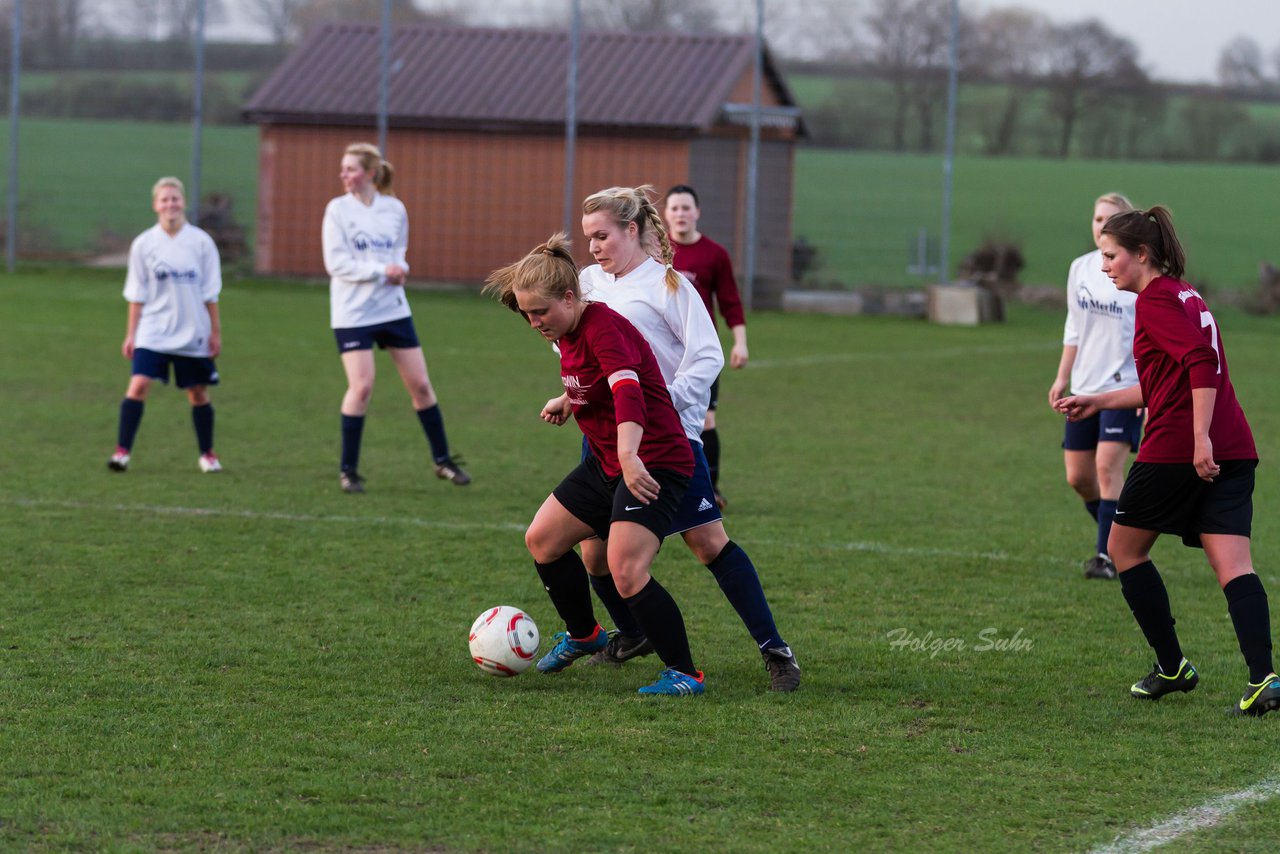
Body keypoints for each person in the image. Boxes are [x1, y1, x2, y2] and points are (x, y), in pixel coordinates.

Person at [571, 185, 800, 692]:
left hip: (666, 439)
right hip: (606, 439)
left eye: (602, 235)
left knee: (707, 542)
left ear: (632, 231)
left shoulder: (669, 286)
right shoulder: (587, 283)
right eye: (588, 237)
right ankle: (632, 634)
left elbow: (707, 355)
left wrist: (664, 402)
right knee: (593, 551)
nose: (593, 247)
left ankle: (775, 649)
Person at [1055, 206, 1279, 717]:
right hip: (1235, 446)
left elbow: (1199, 363)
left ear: (1141, 254)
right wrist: (1099, 399)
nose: (1104, 265)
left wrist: (1198, 438)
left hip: (1180, 448)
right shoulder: (1186, 293)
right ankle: (1263, 678)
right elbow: (1167, 379)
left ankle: (1173, 667)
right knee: (1234, 567)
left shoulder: (1155, 301)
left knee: (1123, 550)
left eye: (1111, 256)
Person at [483, 233, 705, 696]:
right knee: (542, 540)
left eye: (540, 312)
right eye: (526, 314)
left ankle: (685, 673)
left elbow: (629, 390)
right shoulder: (566, 330)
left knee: (625, 569)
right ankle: (585, 634)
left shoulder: (604, 326)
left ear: (570, 297)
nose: (533, 322)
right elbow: (596, 377)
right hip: (609, 462)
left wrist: (628, 457)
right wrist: (569, 398)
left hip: (655, 462)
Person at [322, 142, 469, 494]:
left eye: (351, 169)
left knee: (420, 385)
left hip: (392, 309)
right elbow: (336, 264)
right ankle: (348, 471)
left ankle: (442, 460)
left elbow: (399, 254)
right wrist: (381, 270)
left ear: (371, 173)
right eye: (343, 169)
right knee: (362, 387)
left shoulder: (394, 209)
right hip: (353, 313)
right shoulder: (337, 210)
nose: (344, 175)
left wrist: (400, 268)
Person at [1047, 193, 1143, 580]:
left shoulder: (1135, 273)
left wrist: (1146, 390)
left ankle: (1106, 556)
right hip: (1084, 387)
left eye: (1110, 218)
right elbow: (1074, 328)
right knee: (1079, 477)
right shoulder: (1080, 269)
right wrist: (1061, 377)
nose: (1101, 224)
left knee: (1107, 468)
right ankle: (1122, 537)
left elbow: (1147, 336)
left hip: (1122, 387)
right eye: (1097, 217)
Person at [108, 176, 223, 474]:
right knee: (139, 384)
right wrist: (131, 334)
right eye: (164, 199)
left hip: (192, 331)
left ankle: (207, 455)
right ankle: (122, 452)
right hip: (153, 331)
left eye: (175, 198)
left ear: (183, 202)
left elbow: (211, 292)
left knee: (197, 393)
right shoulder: (144, 244)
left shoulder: (201, 243)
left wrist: (215, 333)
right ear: (155, 205)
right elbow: (136, 294)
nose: (170, 204)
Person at [663, 184, 748, 510]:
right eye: (675, 208)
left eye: (686, 208)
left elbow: (730, 302)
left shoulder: (715, 254)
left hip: (700, 354)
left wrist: (740, 343)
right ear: (666, 214)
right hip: (664, 352)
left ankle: (709, 490)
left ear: (697, 212)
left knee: (705, 421)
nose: (681, 214)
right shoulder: (656, 253)